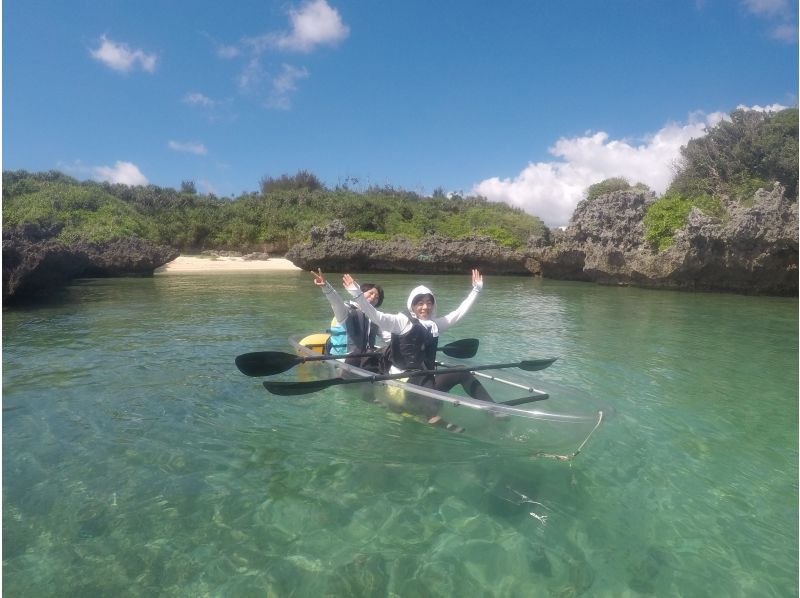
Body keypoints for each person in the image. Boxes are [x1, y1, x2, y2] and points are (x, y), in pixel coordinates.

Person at [343, 269, 494, 428]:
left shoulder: (434, 325)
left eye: (429, 303)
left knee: (461, 371)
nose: (425, 307)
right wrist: (357, 294)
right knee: (422, 375)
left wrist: (476, 290)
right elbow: (376, 316)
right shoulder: (401, 322)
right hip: (398, 386)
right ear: (412, 306)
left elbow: (458, 313)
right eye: (420, 303)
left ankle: (494, 410)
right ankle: (431, 416)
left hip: (423, 384)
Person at [311, 269, 385, 371]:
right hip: (343, 359)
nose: (373, 297)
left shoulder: (375, 318)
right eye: (371, 293)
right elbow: (336, 302)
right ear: (360, 292)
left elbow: (388, 335)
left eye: (377, 297)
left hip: (364, 359)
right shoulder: (346, 311)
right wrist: (326, 286)